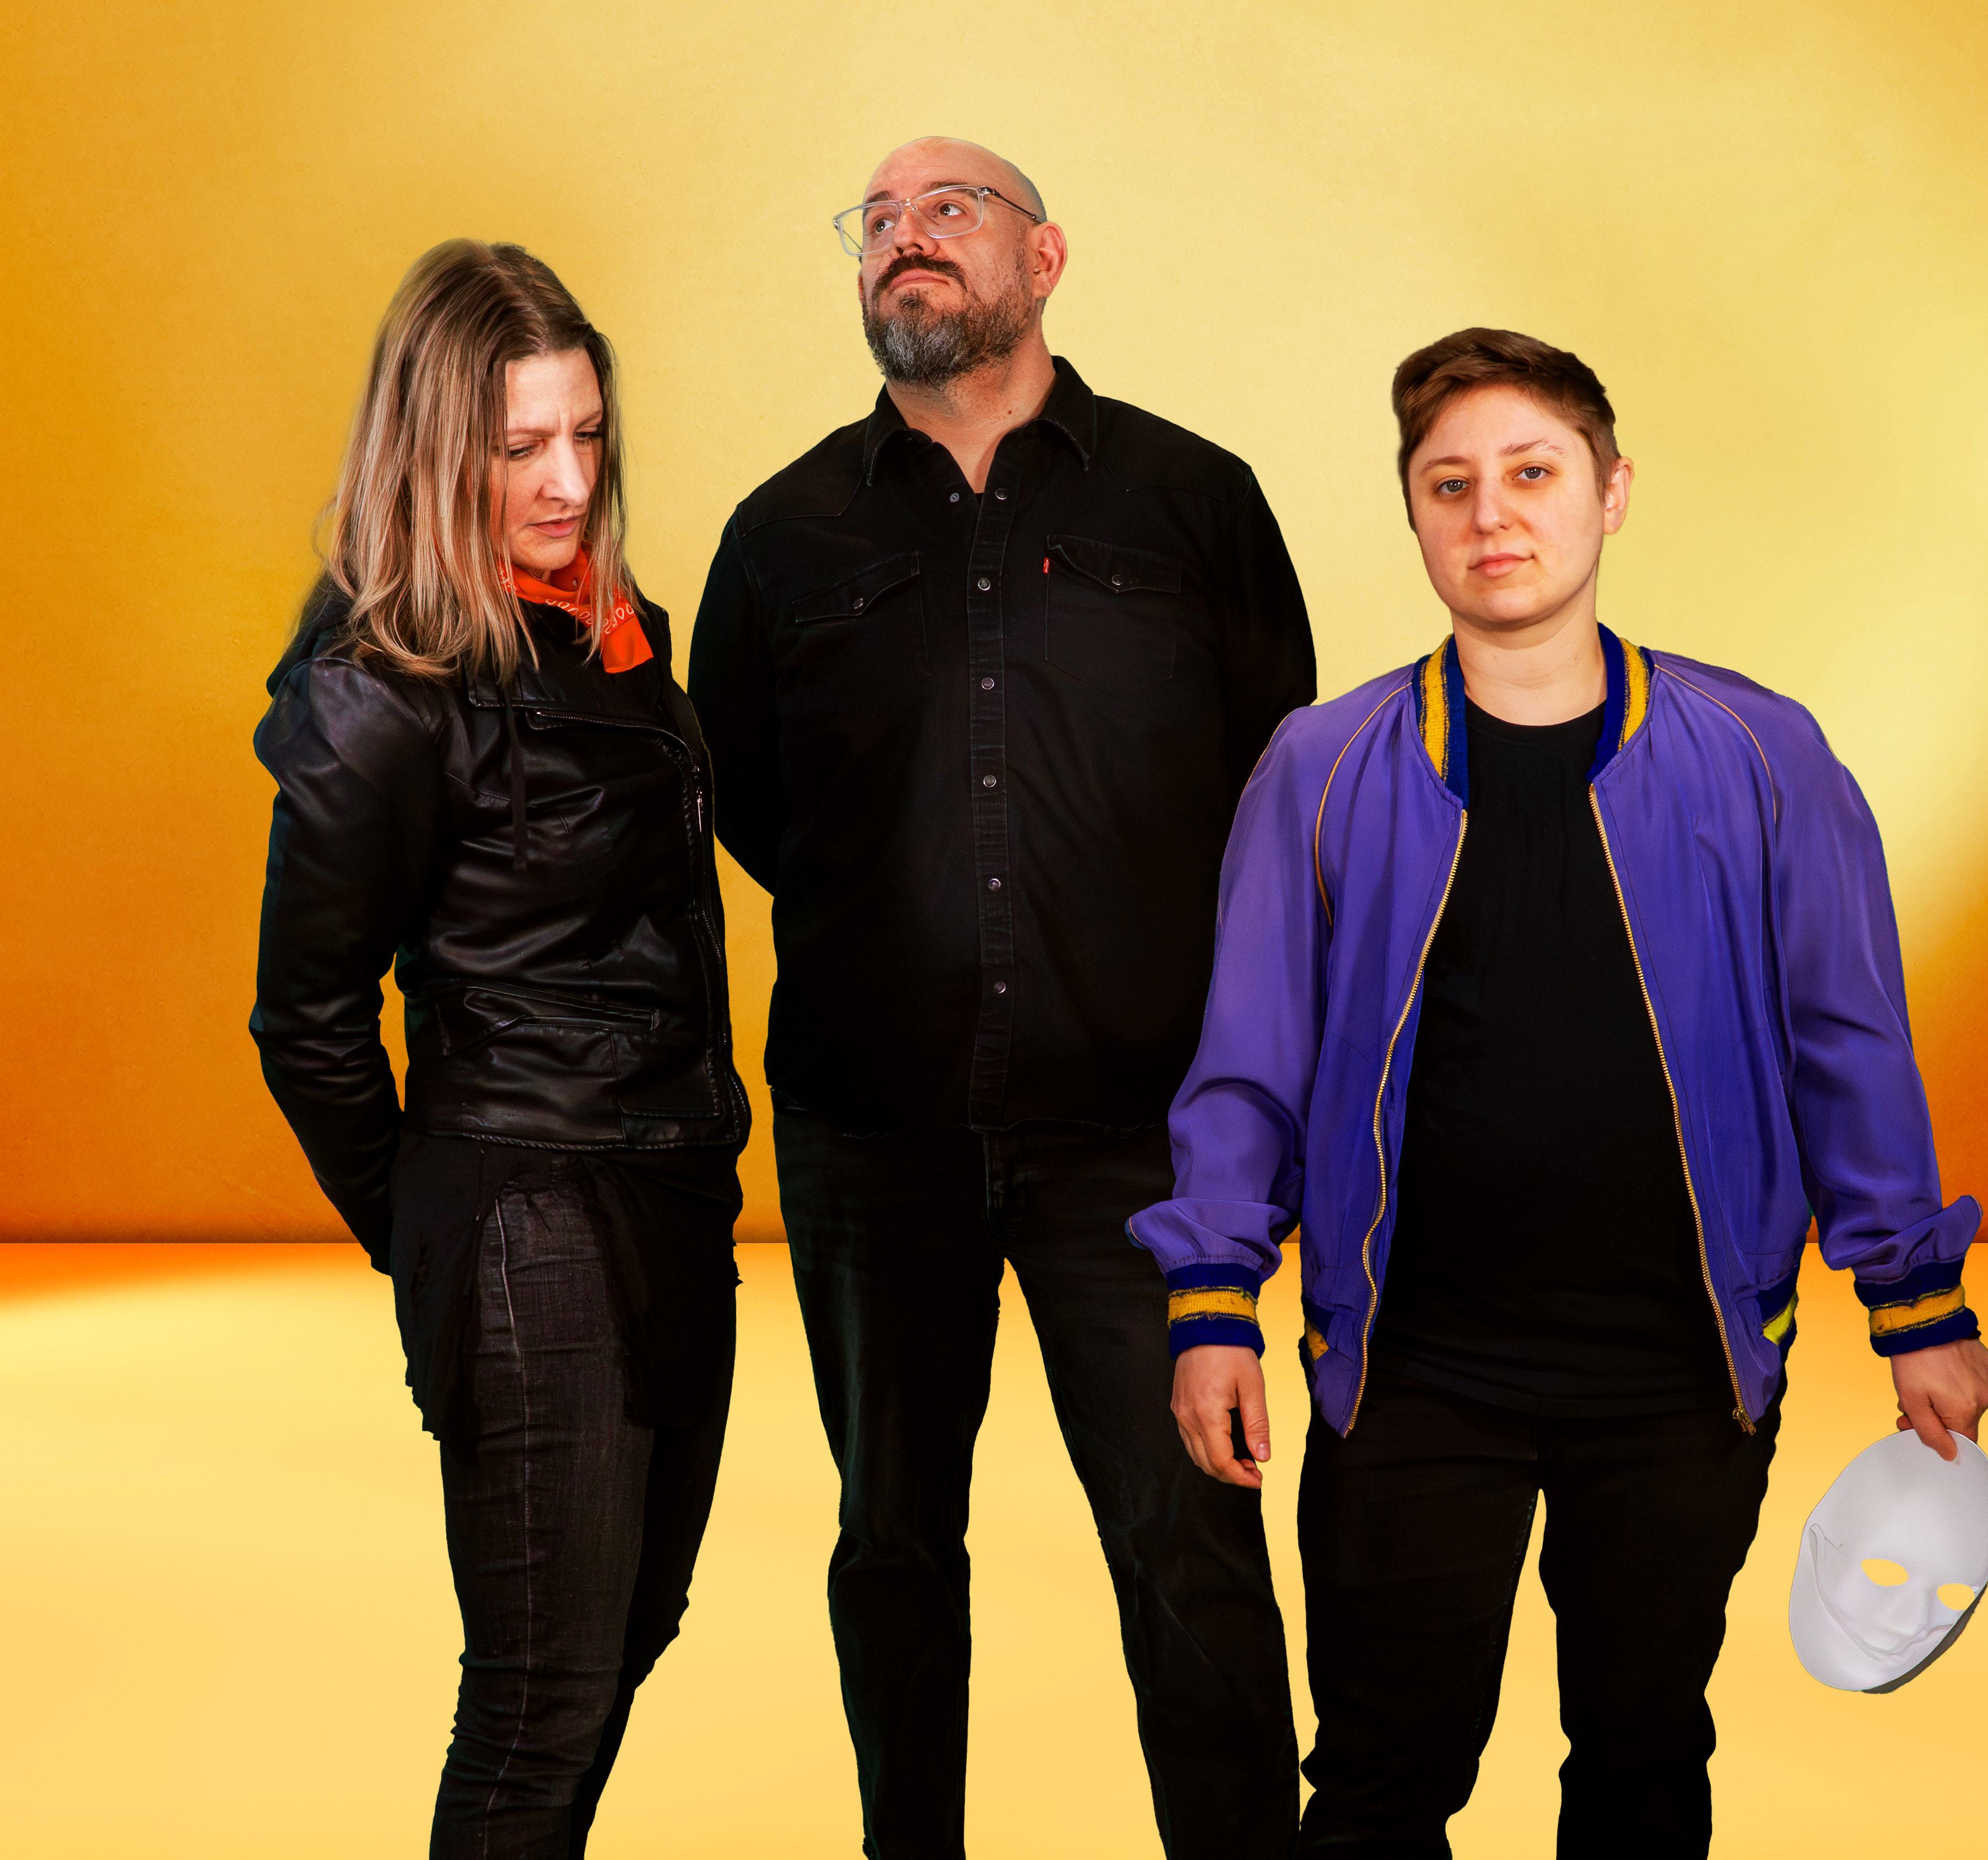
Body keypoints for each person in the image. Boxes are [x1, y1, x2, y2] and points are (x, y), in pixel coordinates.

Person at [1132, 327, 1988, 1857]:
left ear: (1612, 494)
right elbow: (1248, 1062)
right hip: (1406, 1377)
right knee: (1383, 1782)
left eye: (1532, 474)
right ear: (1412, 517)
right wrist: (1212, 1302)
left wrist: (1915, 1304)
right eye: (1449, 485)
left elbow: (1847, 1042)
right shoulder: (1322, 770)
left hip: (1681, 1373)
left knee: (1643, 1762)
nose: (1492, 515)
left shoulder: (1762, 755)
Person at [686, 138, 1315, 1858]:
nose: (905, 239)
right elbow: (741, 794)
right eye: (875, 223)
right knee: (892, 1535)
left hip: (1142, 1138)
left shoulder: (1195, 502)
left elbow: (1282, 790)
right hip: (866, 1129)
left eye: (946, 210)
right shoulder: (785, 530)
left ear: (1047, 257)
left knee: (1187, 1540)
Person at [251, 240, 748, 1858]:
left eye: (585, 437)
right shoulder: (380, 685)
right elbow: (307, 1017)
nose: (563, 479)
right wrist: (432, 1239)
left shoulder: (600, 630)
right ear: (432, 446)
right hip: (529, 1204)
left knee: (621, 1649)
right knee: (540, 1698)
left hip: (671, 1189)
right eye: (519, 444)